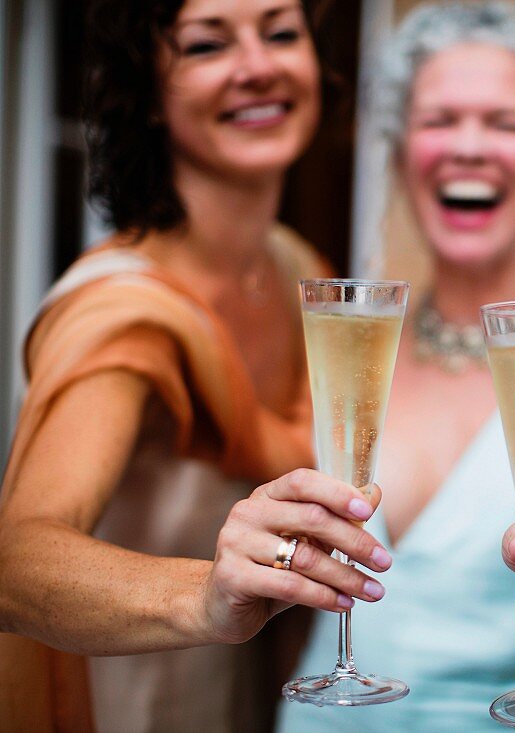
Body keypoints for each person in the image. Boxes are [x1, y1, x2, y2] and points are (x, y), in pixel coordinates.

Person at [0, 1, 394, 730]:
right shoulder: (122, 310)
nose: (258, 66)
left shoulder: (298, 271)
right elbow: (16, 560)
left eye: (281, 33)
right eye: (208, 45)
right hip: (127, 705)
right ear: (147, 91)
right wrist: (205, 595)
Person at [276, 4, 515, 732]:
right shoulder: (344, 357)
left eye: (505, 123)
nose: (469, 146)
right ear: (397, 154)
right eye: (439, 119)